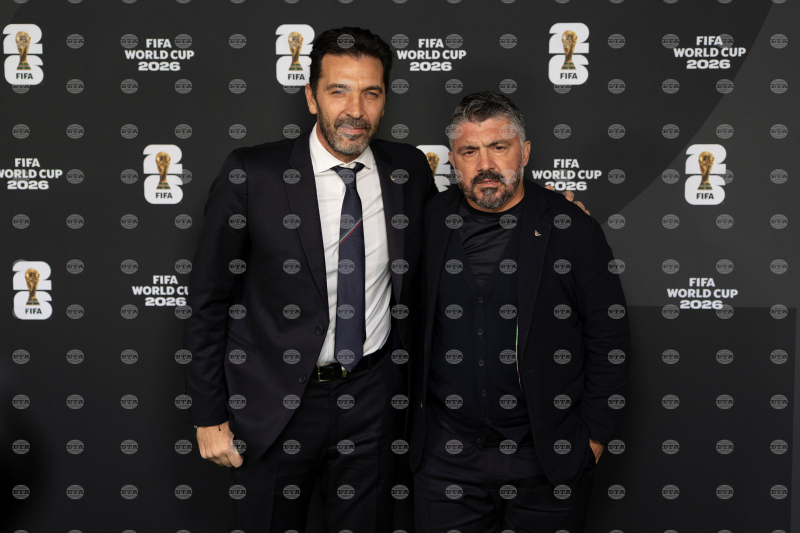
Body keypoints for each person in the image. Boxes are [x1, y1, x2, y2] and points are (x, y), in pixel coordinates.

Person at [182, 27, 436, 532]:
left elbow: (454, 236)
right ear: (311, 97)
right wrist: (208, 416)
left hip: (373, 401)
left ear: (385, 100)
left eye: (371, 93)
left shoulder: (407, 170)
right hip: (275, 406)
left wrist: (547, 213)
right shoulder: (252, 175)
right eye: (338, 90)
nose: (355, 110)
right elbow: (209, 299)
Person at [409, 91, 631, 533]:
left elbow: (609, 338)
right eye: (469, 151)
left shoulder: (572, 227)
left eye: (499, 147)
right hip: (447, 456)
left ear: (525, 153)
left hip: (546, 456)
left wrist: (593, 440)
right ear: (452, 160)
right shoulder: (425, 221)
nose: (485, 164)